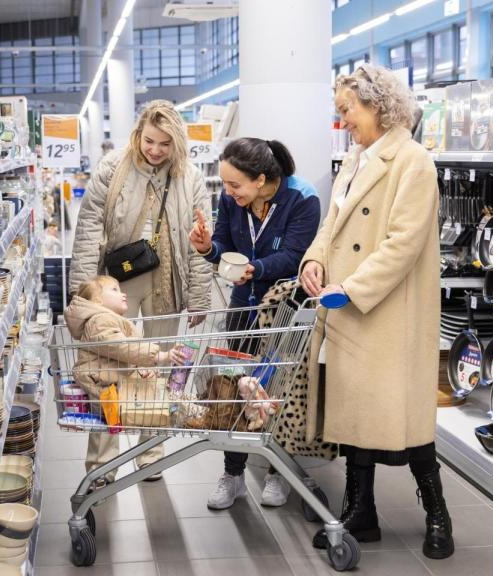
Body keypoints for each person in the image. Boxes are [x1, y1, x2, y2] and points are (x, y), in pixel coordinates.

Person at [298, 64, 453, 559]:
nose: (342, 121)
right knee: (357, 414)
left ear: (377, 106)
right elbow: (332, 224)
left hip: (387, 311)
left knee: (406, 419)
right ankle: (360, 511)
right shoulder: (354, 159)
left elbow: (403, 244)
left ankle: (438, 514)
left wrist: (352, 288)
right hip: (346, 306)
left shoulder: (414, 162)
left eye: (348, 110)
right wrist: (314, 260)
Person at [71, 100, 213, 478]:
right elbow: (88, 229)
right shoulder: (113, 168)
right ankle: (102, 464)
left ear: (177, 143)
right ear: (138, 134)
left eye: (165, 144)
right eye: (149, 140)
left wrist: (199, 295)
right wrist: (82, 292)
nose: (155, 150)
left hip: (168, 280)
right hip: (118, 281)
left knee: (159, 366)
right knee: (107, 368)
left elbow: (201, 241)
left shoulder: (190, 177)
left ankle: (151, 455)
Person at [188, 137, 320, 510]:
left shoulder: (302, 198)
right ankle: (233, 474)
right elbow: (223, 247)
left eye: (235, 184)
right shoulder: (233, 200)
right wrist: (206, 248)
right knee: (234, 387)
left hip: (283, 308)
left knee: (277, 389)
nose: (228, 192)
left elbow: (295, 255)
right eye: (225, 184)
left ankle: (278, 470)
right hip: (242, 307)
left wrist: (256, 268)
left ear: (260, 180)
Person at [64, 276, 185, 487]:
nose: (123, 293)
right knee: (107, 426)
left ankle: (114, 467)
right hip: (104, 385)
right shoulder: (99, 321)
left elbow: (120, 355)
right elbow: (120, 347)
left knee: (149, 406)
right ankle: (101, 470)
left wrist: (142, 368)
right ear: (97, 301)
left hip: (115, 379)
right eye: (114, 289)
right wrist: (159, 355)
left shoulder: (108, 319)